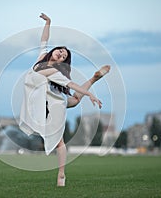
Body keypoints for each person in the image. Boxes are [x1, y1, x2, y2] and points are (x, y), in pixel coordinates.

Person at [19, 13, 110, 187]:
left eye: (63, 57)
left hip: (54, 103)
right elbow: (44, 39)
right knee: (75, 100)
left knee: (59, 141)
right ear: (55, 50)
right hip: (50, 97)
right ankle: (93, 79)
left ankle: (61, 174)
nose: (60, 55)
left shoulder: (56, 73)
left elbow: (72, 83)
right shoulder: (41, 58)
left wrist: (90, 94)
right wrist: (48, 23)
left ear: (63, 63)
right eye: (60, 51)